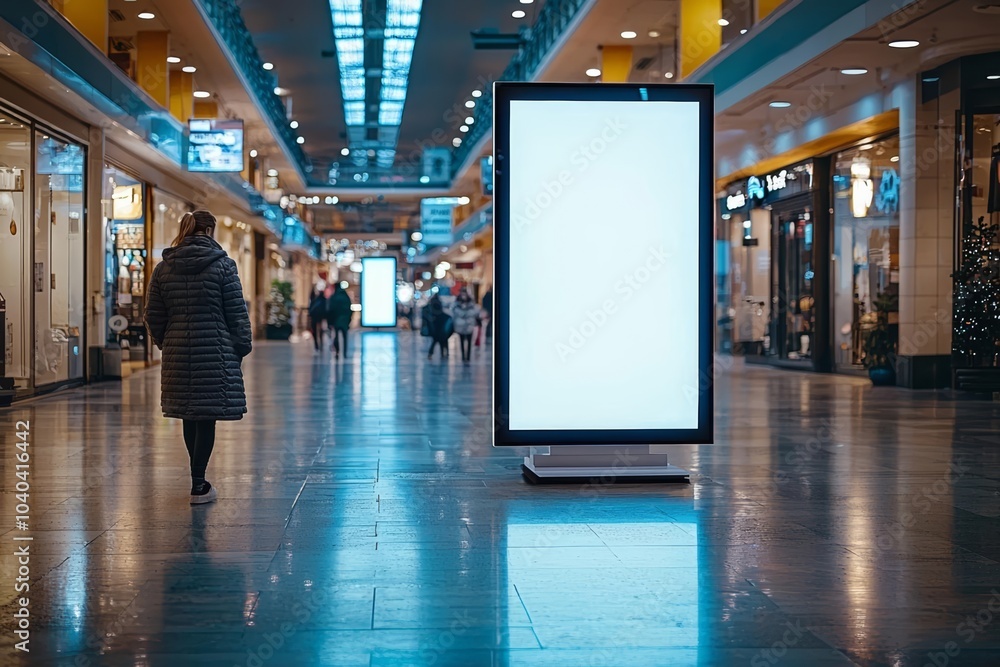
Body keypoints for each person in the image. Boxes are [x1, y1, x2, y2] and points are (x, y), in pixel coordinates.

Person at [144, 210, 252, 505]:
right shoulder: (223, 266)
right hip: (216, 349)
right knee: (206, 416)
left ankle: (199, 480)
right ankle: (198, 483)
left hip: (178, 350)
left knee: (189, 413)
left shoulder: (163, 268)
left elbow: (152, 315)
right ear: (208, 231)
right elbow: (236, 313)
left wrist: (166, 342)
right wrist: (240, 347)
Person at [452, 289, 481, 363]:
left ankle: (468, 357)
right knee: (461, 341)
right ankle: (463, 356)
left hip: (469, 325)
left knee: (469, 341)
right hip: (460, 325)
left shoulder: (471, 303)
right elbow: (454, 312)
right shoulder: (457, 303)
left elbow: (474, 312)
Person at [327, 283, 353, 359]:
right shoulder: (346, 297)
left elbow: (330, 310)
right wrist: (349, 320)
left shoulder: (334, 297)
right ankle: (345, 352)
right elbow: (349, 310)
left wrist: (330, 322)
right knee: (345, 337)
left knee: (336, 337)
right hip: (345, 320)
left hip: (336, 320)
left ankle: (337, 352)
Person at [424, 293, 451, 359]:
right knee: (442, 340)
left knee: (436, 340)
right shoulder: (438, 303)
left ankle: (432, 353)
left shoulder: (431, 304)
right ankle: (444, 353)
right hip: (440, 325)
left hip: (435, 326)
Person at [307, 287, 327, 352]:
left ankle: (316, 344)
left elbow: (310, 309)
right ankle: (320, 343)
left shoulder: (314, 300)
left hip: (314, 317)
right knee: (320, 330)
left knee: (315, 331)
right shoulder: (324, 300)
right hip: (321, 317)